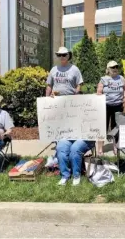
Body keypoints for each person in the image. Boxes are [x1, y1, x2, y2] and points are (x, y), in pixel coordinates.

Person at [46, 46, 93, 186]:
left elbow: (79, 85)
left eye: (64, 54)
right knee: (60, 146)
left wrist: (76, 97)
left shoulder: (75, 69)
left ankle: (76, 175)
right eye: (59, 55)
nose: (62, 57)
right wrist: (46, 101)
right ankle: (64, 174)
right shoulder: (54, 70)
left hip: (73, 106)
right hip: (58, 106)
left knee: (74, 148)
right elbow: (49, 86)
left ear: (68, 55)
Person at [96, 61, 125, 156]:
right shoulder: (103, 79)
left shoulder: (121, 79)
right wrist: (99, 97)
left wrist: (124, 99)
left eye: (116, 67)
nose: (115, 69)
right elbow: (99, 92)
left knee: (116, 128)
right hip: (105, 106)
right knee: (103, 127)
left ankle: (115, 147)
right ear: (108, 69)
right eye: (112, 67)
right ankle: (100, 149)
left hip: (118, 106)